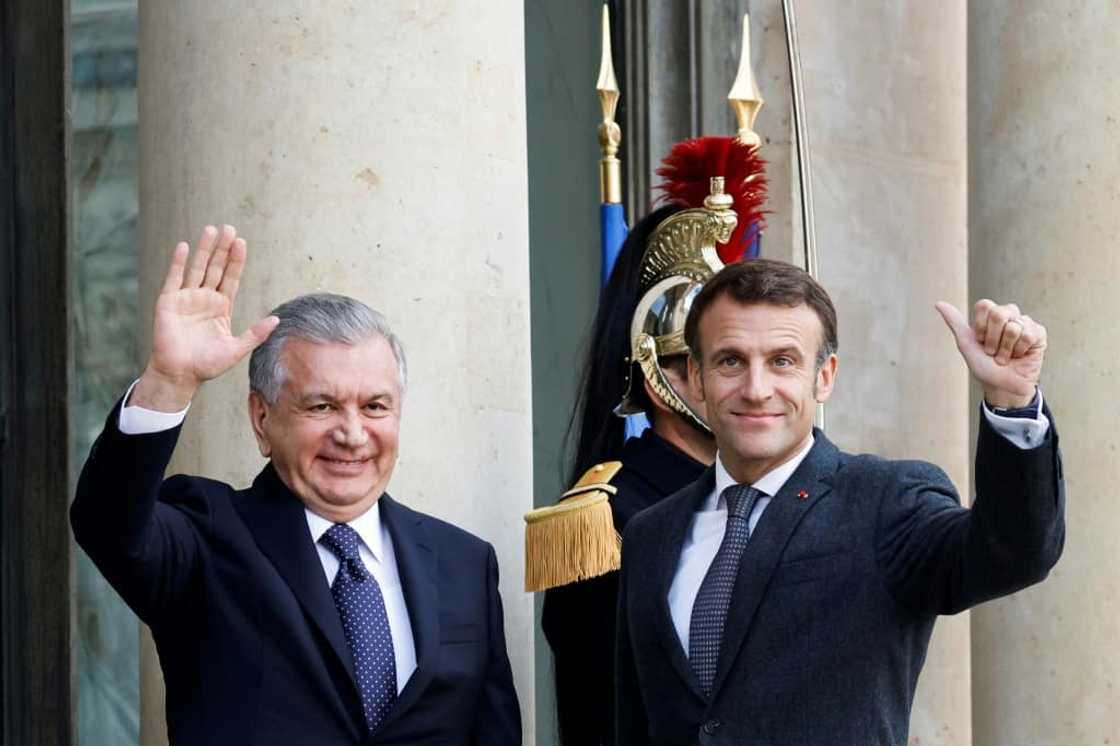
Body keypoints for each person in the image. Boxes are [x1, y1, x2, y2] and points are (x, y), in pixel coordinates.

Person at [71, 226, 521, 745]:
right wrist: (168, 383)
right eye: (322, 406)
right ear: (262, 419)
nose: (352, 434)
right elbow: (108, 525)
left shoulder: (464, 562)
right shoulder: (209, 536)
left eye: (375, 406)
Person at [615, 258, 1064, 745]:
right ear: (698, 381)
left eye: (783, 361)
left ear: (824, 377)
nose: (756, 388)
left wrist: (1012, 402)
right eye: (731, 361)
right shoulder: (649, 535)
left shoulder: (887, 503)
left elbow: (1014, 552)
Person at [533, 138, 768, 746]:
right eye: (723, 363)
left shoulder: (774, 496)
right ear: (661, 378)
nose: (753, 387)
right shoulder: (605, 522)